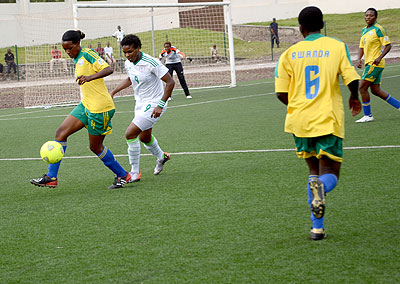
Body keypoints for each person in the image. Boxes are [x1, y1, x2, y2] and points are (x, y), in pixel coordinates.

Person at [275, 6, 361, 240]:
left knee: (313, 171)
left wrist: (299, 107)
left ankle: (317, 228)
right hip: (328, 118)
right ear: (322, 25)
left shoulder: (289, 54)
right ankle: (321, 193)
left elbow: (281, 93)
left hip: (299, 121)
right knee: (330, 173)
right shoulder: (336, 46)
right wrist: (355, 97)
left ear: (300, 28)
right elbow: (352, 78)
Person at [30, 30, 132, 189]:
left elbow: (108, 69)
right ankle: (51, 177)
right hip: (86, 105)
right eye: (65, 50)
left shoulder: (88, 53)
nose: (68, 52)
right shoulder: (77, 57)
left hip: (100, 108)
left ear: (78, 44)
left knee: (95, 147)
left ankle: (122, 175)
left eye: (70, 48)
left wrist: (88, 78)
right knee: (61, 133)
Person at [110, 34, 175, 182]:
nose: (127, 55)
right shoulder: (128, 63)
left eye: (130, 52)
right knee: (144, 137)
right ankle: (162, 157)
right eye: (125, 52)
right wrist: (113, 91)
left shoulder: (151, 62)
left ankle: (134, 173)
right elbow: (130, 79)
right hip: (140, 103)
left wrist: (160, 104)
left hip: (155, 103)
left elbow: (170, 82)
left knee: (130, 133)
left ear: (138, 48)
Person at [355, 8, 400, 123]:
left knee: (362, 87)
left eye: (370, 15)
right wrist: (359, 59)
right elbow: (361, 46)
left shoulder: (379, 29)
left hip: (375, 63)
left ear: (375, 17)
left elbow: (388, 45)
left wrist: (379, 57)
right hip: (368, 63)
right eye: (366, 15)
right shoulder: (364, 31)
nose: (368, 17)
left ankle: (368, 115)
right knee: (375, 90)